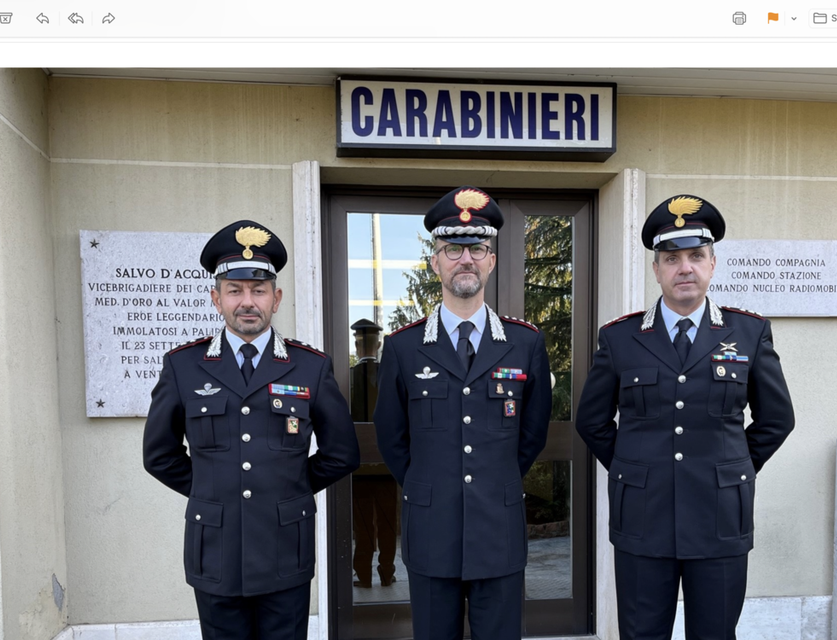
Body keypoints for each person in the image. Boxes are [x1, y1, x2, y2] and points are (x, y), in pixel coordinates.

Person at [576, 195, 795, 640]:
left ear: (712, 264)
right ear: (656, 269)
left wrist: (732, 470)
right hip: (643, 518)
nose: (685, 268)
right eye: (672, 259)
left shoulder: (748, 333)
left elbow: (777, 419)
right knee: (641, 634)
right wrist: (634, 470)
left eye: (696, 256)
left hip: (720, 518)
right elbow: (591, 421)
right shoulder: (620, 338)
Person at [143, 220, 360, 640]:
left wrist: (288, 486)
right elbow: (159, 456)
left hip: (285, 547)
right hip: (215, 550)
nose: (247, 302)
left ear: (276, 298)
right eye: (234, 290)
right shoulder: (183, 366)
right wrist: (211, 489)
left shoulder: (310, 367)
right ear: (216, 298)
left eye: (258, 290)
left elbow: (342, 453)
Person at [374, 186, 553, 640]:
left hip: (499, 530)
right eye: (453, 249)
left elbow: (532, 434)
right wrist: (430, 483)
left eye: (477, 248)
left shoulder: (525, 343)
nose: (465, 259)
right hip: (431, 531)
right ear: (435, 262)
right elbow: (392, 437)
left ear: (491, 261)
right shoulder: (403, 347)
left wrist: (496, 479)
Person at [348, 319, 398, 589]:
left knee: (363, 523)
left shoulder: (347, 378)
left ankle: (364, 574)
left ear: (356, 346)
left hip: (359, 466)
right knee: (388, 521)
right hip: (387, 464)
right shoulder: (389, 376)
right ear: (378, 345)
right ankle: (387, 572)